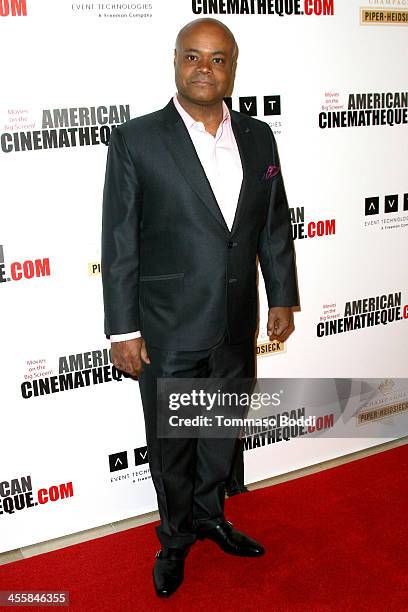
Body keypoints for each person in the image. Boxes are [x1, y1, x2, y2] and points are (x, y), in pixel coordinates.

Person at [101, 17, 298, 598]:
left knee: (219, 429)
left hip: (235, 320)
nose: (205, 69)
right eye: (194, 57)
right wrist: (124, 329)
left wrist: (281, 294)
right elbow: (119, 241)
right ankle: (175, 537)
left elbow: (272, 223)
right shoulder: (137, 138)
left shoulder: (259, 137)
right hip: (167, 325)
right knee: (173, 441)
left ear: (233, 68)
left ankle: (212, 515)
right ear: (176, 62)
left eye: (218, 59)